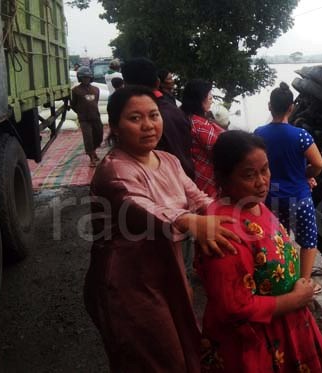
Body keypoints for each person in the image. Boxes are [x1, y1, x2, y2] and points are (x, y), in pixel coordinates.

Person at [84, 86, 240, 372]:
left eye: (154, 115)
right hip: (127, 281)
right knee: (152, 358)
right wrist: (190, 221)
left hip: (166, 267)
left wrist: (238, 217)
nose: (148, 126)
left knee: (184, 346)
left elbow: (198, 198)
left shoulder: (167, 160)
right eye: (135, 118)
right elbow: (143, 209)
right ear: (115, 127)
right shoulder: (115, 171)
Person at [199, 130, 322, 373]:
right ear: (222, 178)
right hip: (257, 343)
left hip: (287, 326)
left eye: (265, 170)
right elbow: (234, 308)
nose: (262, 182)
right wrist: (294, 299)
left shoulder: (255, 205)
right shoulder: (224, 229)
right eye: (249, 175)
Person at [254, 82, 322, 285]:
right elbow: (319, 164)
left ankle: (282, 278)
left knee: (279, 240)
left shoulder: (259, 134)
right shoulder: (300, 136)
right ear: (291, 108)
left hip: (272, 197)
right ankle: (303, 283)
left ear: (269, 106)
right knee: (308, 242)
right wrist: (304, 175)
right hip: (299, 197)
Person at [122, 58, 195, 179]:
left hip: (161, 183)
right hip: (185, 176)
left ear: (125, 86)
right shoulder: (176, 111)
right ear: (157, 83)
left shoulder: (134, 120)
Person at [181, 79, 224, 198]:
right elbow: (221, 150)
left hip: (195, 175)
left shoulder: (186, 118)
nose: (211, 100)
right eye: (209, 98)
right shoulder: (199, 125)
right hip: (207, 179)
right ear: (199, 100)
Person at [70, 66, 102, 167]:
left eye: (88, 78)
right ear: (80, 78)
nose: (86, 79)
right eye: (83, 78)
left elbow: (95, 102)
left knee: (99, 136)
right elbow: (73, 104)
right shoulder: (75, 90)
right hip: (84, 119)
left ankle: (94, 151)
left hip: (96, 117)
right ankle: (91, 157)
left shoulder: (96, 90)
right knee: (88, 138)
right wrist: (81, 112)